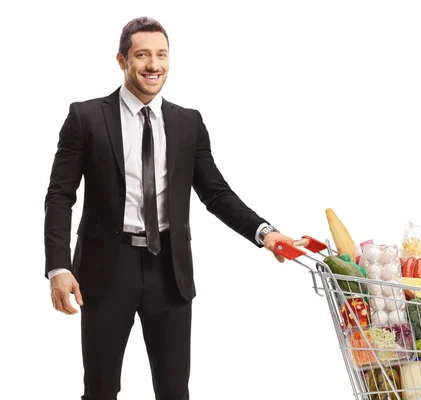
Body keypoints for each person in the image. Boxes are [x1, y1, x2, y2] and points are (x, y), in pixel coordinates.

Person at [44, 16, 294, 400]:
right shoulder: (86, 117)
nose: (153, 65)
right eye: (142, 55)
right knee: (100, 389)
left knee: (175, 391)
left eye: (161, 55)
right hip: (106, 271)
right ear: (122, 60)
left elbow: (216, 193)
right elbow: (60, 195)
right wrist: (59, 267)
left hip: (169, 270)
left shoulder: (187, 123)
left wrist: (264, 233)